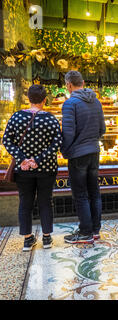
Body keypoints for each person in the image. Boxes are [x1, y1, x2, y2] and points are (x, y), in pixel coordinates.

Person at [2, 85, 63, 251]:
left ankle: (28, 240)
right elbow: (57, 143)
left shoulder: (16, 117)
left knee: (25, 202)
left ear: (29, 99)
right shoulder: (51, 119)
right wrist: (38, 159)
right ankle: (47, 238)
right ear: (44, 100)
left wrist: (23, 159)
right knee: (45, 201)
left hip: (23, 170)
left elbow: (7, 140)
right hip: (47, 169)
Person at [61, 71, 106, 244]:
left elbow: (68, 133)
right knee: (94, 192)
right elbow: (102, 129)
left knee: (80, 195)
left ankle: (85, 232)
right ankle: (95, 230)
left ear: (69, 85)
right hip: (94, 152)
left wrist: (65, 151)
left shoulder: (70, 103)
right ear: (83, 82)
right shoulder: (96, 101)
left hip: (78, 155)